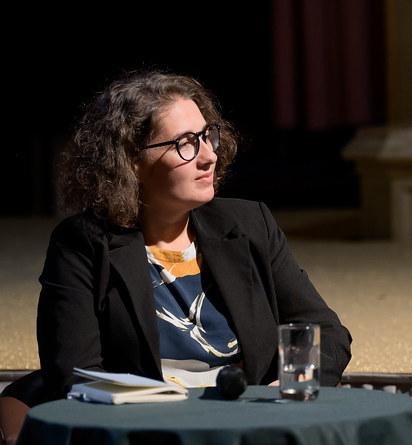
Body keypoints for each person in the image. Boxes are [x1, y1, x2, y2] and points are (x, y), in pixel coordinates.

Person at [3, 70, 351, 417]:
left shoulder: (249, 225)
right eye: (186, 143)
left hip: (251, 423)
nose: (208, 156)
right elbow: (75, 374)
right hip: (146, 429)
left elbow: (328, 334)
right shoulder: (83, 245)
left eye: (207, 136)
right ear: (131, 161)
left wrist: (286, 386)